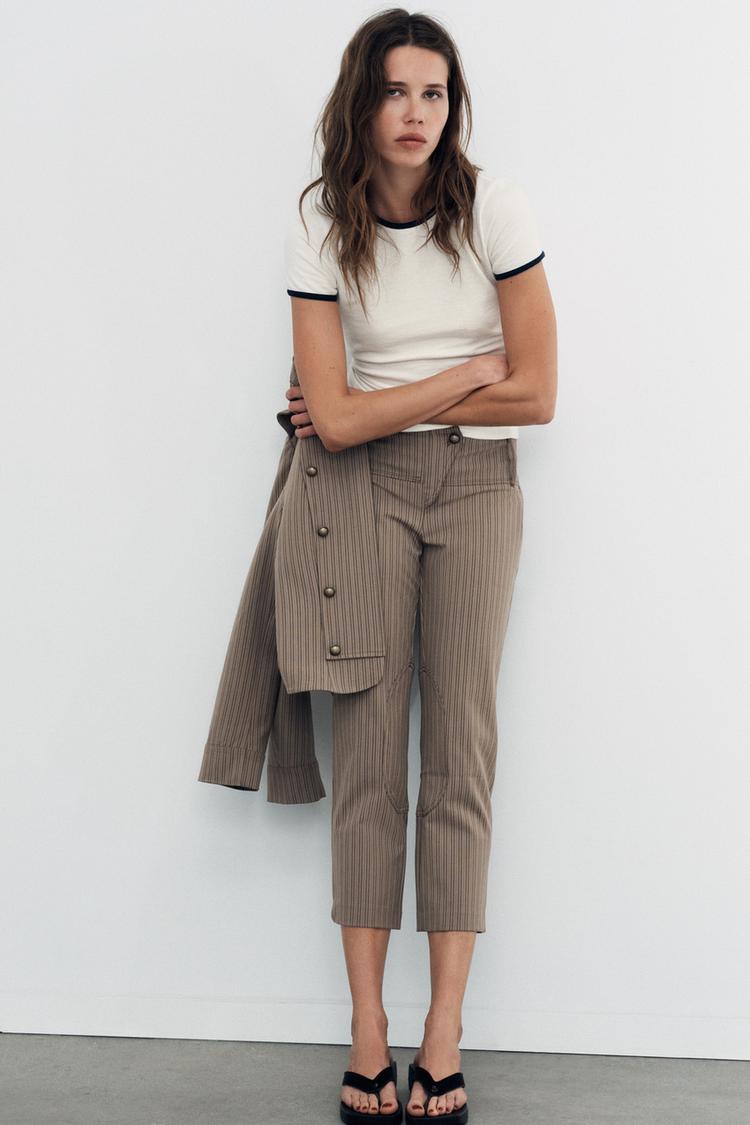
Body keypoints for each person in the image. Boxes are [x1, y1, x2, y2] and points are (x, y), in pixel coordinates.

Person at [282, 10, 557, 1123]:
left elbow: (539, 394)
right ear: (362, 103)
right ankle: (368, 1029)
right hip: (362, 490)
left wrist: (374, 401)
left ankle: (443, 1029)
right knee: (368, 758)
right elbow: (337, 425)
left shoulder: (494, 209)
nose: (416, 114)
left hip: (478, 487)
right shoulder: (321, 219)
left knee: (459, 754)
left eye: (434, 93)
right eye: (395, 91)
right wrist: (461, 376)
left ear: (454, 106)